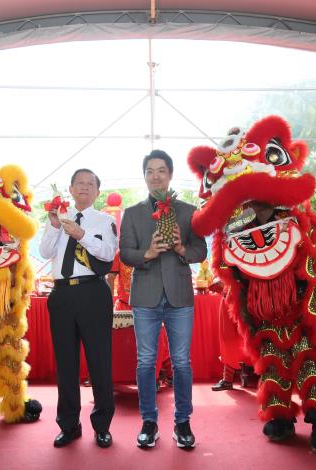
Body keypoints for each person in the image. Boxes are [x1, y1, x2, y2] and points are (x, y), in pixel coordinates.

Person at [120, 149, 207, 449]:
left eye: (161, 170)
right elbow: (125, 253)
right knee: (145, 361)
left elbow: (201, 250)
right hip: (144, 295)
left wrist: (183, 250)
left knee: (182, 361)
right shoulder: (132, 214)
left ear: (170, 174)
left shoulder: (188, 211)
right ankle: (149, 421)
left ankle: (183, 422)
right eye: (150, 171)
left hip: (180, 295)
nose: (155, 176)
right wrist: (147, 253)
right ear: (144, 177)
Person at [39, 169, 117, 448]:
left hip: (93, 292)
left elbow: (108, 254)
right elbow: (45, 252)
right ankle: (69, 425)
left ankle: (102, 425)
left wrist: (81, 234)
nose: (84, 188)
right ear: (71, 189)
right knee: (66, 364)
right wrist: (55, 226)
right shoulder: (58, 217)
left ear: (98, 191)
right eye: (79, 183)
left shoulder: (105, 220)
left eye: (90, 184)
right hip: (61, 295)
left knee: (99, 361)